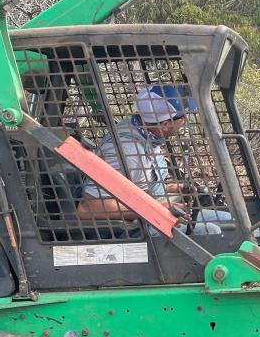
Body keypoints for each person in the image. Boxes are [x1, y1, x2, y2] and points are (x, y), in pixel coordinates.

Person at [77, 84, 229, 235]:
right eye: (183, 117)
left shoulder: (146, 135)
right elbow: (87, 208)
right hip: (137, 228)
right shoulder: (127, 150)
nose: (184, 122)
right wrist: (156, 208)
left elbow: (135, 187)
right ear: (165, 124)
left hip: (153, 214)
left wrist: (174, 188)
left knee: (228, 221)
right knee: (212, 232)